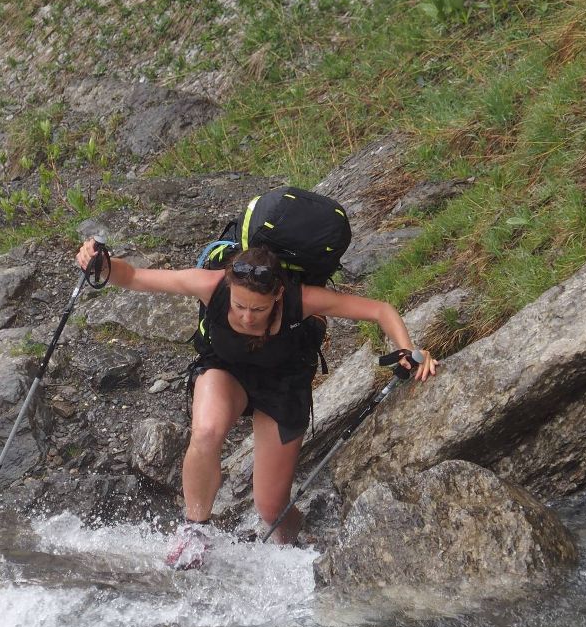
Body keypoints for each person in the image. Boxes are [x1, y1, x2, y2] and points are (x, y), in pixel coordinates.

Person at [76, 237, 437, 568]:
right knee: (206, 432)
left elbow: (380, 310)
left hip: (284, 384)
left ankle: (290, 550)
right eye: (240, 306)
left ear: (277, 295)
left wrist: (407, 348)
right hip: (226, 370)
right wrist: (102, 265)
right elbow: (136, 276)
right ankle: (194, 531)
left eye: (259, 309)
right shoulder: (210, 286)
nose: (248, 316)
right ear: (229, 287)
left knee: (270, 506)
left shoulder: (301, 299)